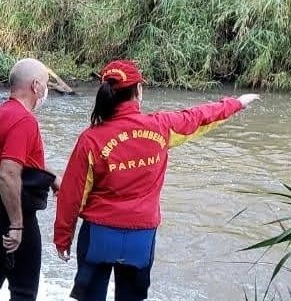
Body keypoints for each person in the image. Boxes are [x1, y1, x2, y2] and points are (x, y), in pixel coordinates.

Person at [53, 59, 259, 301]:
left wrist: (62, 238)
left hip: (98, 235)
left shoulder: (91, 139)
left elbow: (72, 194)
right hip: (141, 236)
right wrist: (236, 103)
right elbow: (199, 117)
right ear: (138, 90)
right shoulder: (161, 128)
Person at [0, 58, 60, 301]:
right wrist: (17, 225)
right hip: (7, 215)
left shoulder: (0, 113)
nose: (46, 90)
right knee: (23, 291)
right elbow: (8, 175)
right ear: (35, 86)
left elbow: (21, 160)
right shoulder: (25, 120)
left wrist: (52, 177)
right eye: (45, 83)